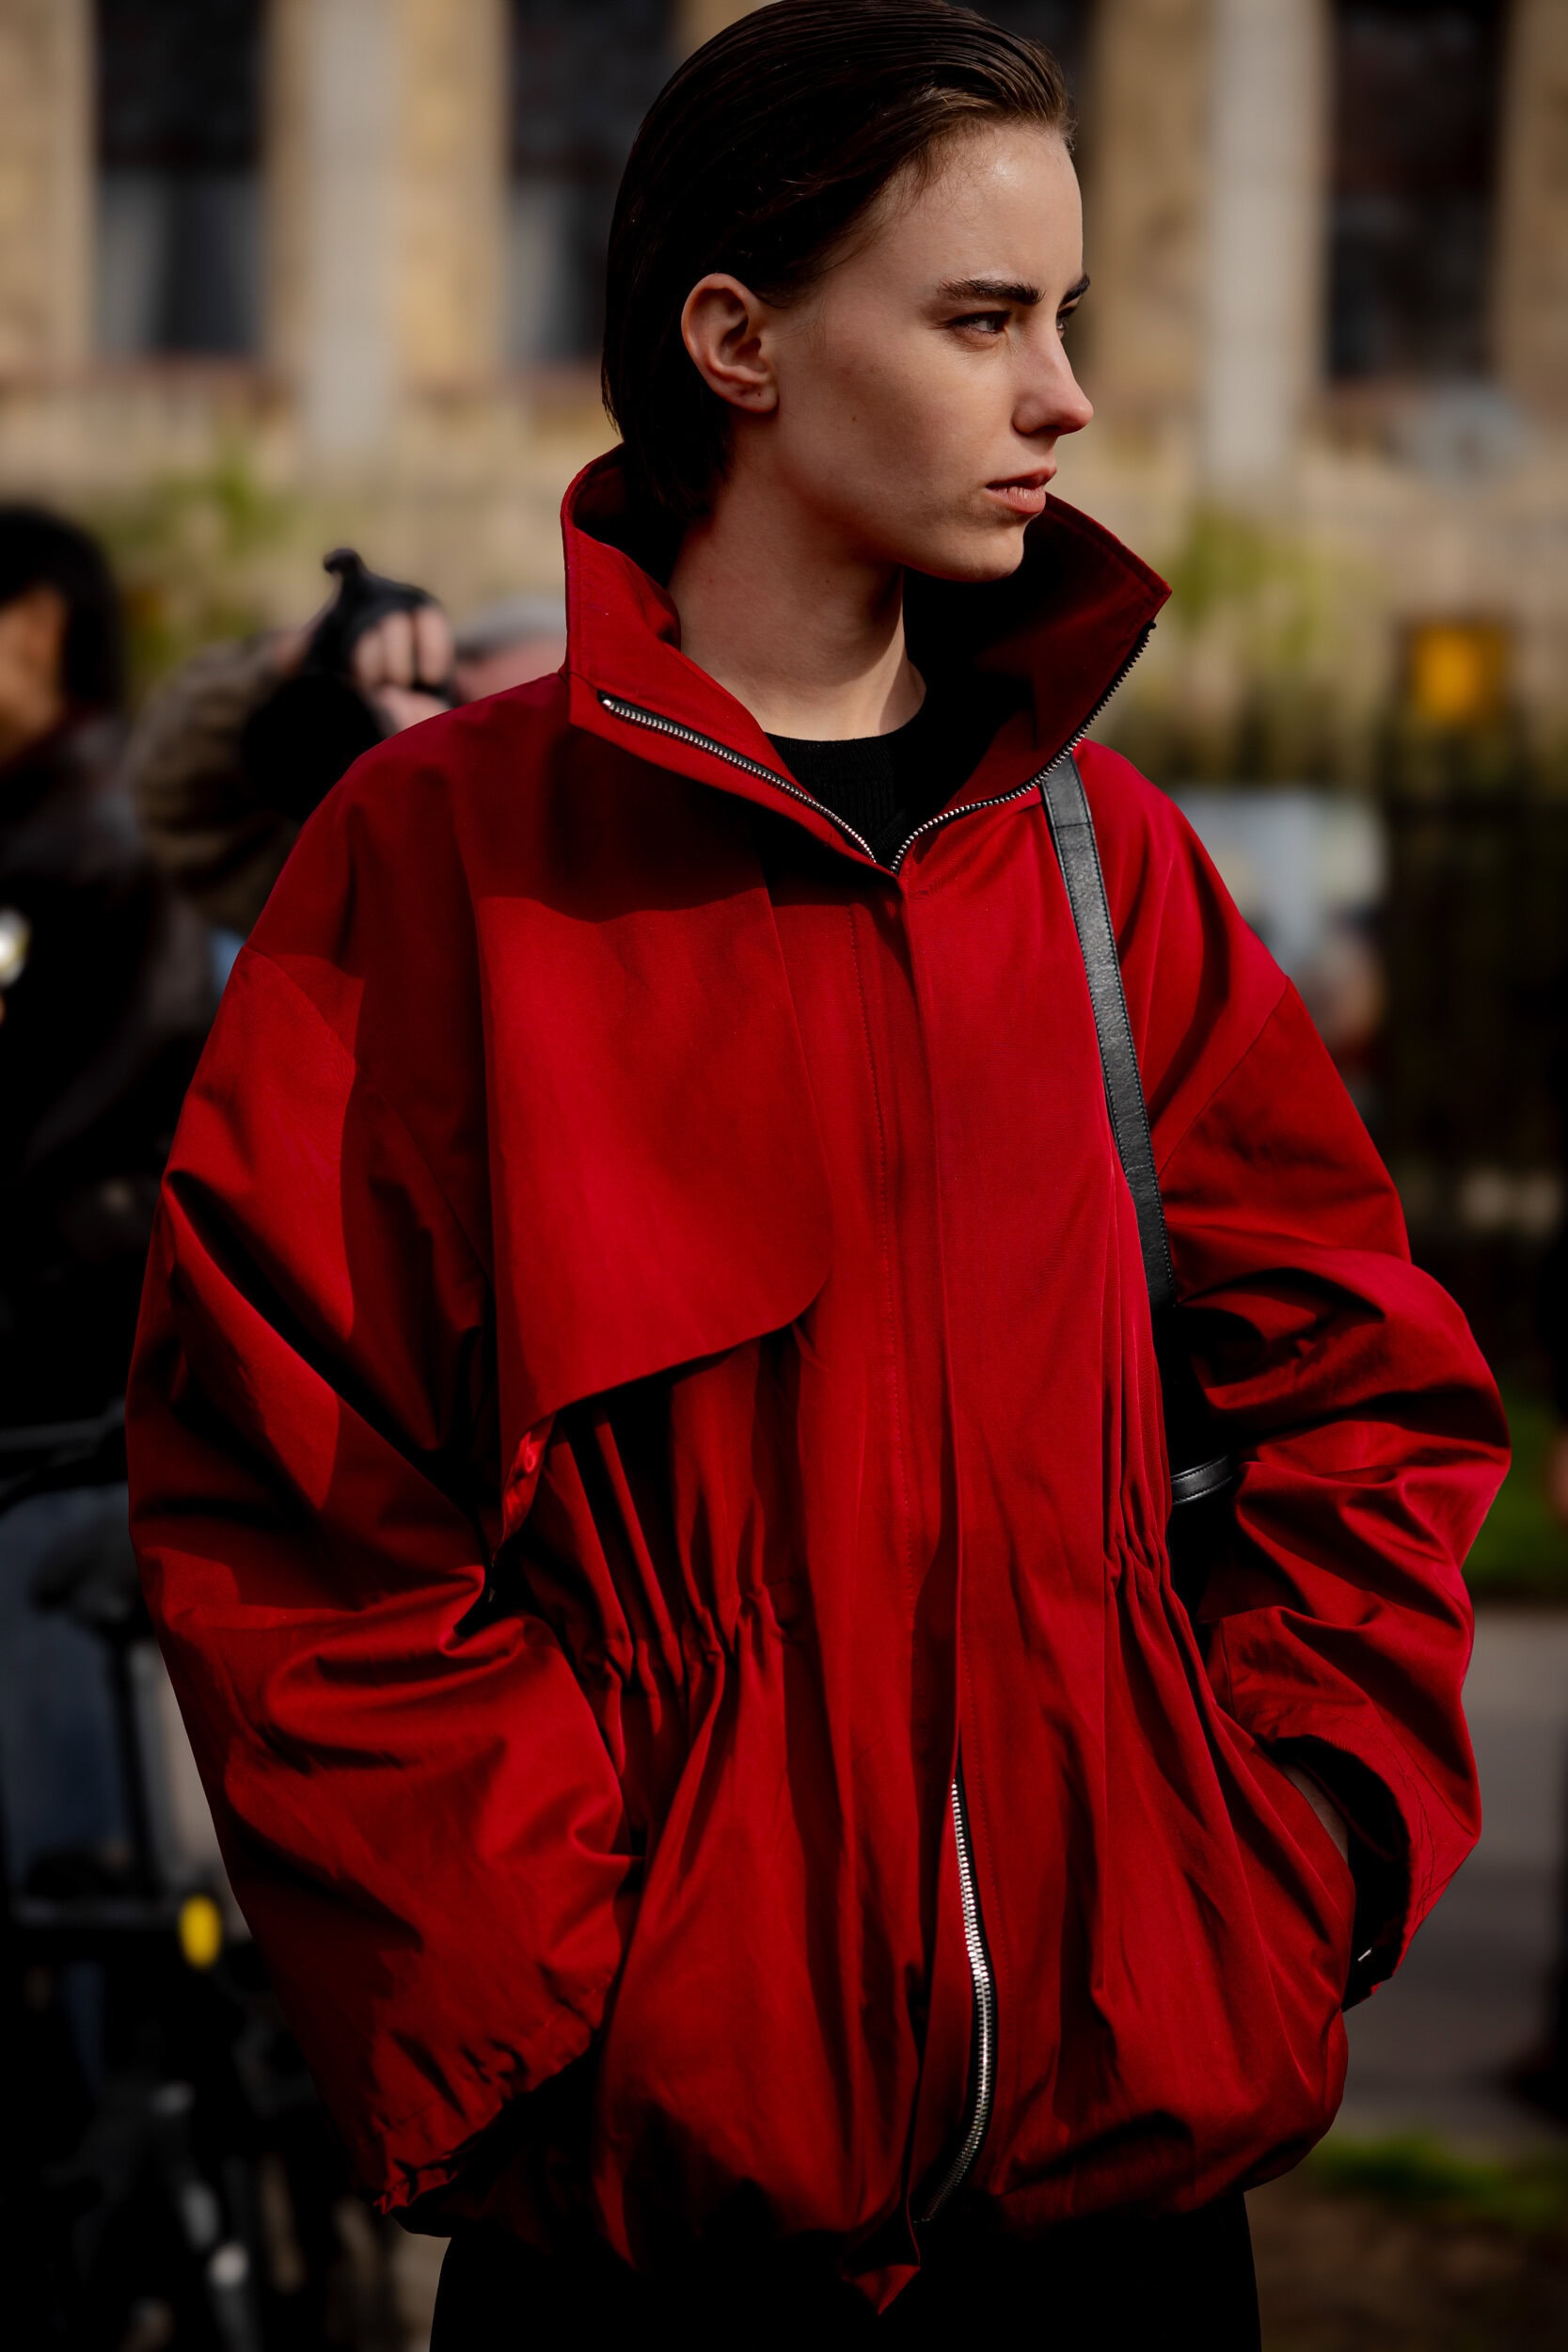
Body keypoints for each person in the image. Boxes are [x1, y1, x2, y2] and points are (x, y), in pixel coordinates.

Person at [127, 7, 1508, 2346]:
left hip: (1121, 2203)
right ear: (735, 341)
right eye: (981, 320)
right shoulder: (444, 865)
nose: (1063, 397)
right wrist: (563, 2004)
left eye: (1065, 317)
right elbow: (293, 1500)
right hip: (646, 2218)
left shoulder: (1105, 866)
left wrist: (1295, 1858)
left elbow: (1363, 1401)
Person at [126, 575, 561, 942]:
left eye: (497, 750)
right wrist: (303, 653)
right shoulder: (343, 863)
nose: (439, 731)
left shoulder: (497, 930)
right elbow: (176, 800)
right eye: (459, 702)